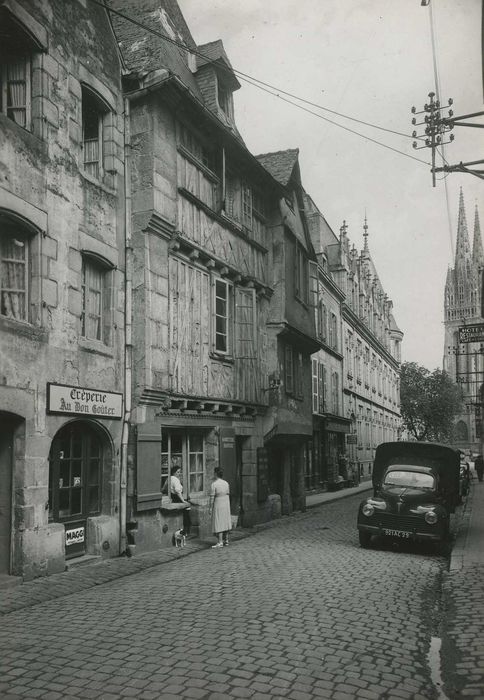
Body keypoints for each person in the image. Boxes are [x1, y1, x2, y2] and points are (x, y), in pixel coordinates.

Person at [209, 467, 232, 548]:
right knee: (225, 520)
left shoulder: (214, 484)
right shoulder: (226, 483)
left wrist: (210, 508)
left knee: (218, 521)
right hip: (226, 502)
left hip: (218, 502)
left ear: (215, 474)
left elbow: (212, 497)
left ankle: (220, 541)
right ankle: (226, 540)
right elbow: (228, 493)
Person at [170, 465, 191, 535]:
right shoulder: (175, 480)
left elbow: (164, 488)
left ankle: (186, 530)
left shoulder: (169, 478)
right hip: (177, 498)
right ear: (174, 472)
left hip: (173, 497)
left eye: (180, 472)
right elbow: (178, 492)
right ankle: (186, 530)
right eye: (178, 472)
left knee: (187, 511)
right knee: (186, 512)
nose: (179, 474)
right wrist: (183, 501)